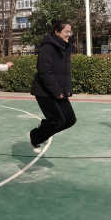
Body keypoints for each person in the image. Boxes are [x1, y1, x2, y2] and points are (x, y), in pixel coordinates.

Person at [28, 19, 77, 153]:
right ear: (57, 32)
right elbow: (44, 71)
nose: (69, 34)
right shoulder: (47, 48)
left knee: (70, 120)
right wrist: (56, 91)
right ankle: (34, 137)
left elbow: (65, 73)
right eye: (66, 31)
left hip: (60, 91)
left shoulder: (65, 48)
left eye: (70, 32)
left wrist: (68, 89)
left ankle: (44, 127)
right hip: (44, 91)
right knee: (57, 121)